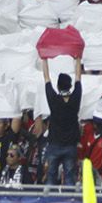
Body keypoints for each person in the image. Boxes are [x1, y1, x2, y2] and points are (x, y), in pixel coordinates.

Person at [39, 56, 82, 186]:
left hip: (54, 144)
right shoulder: (75, 98)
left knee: (51, 177)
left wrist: (44, 59)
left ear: (57, 86)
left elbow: (46, 79)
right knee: (69, 178)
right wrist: (78, 59)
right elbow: (78, 78)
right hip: (70, 145)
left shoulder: (53, 99)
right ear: (70, 85)